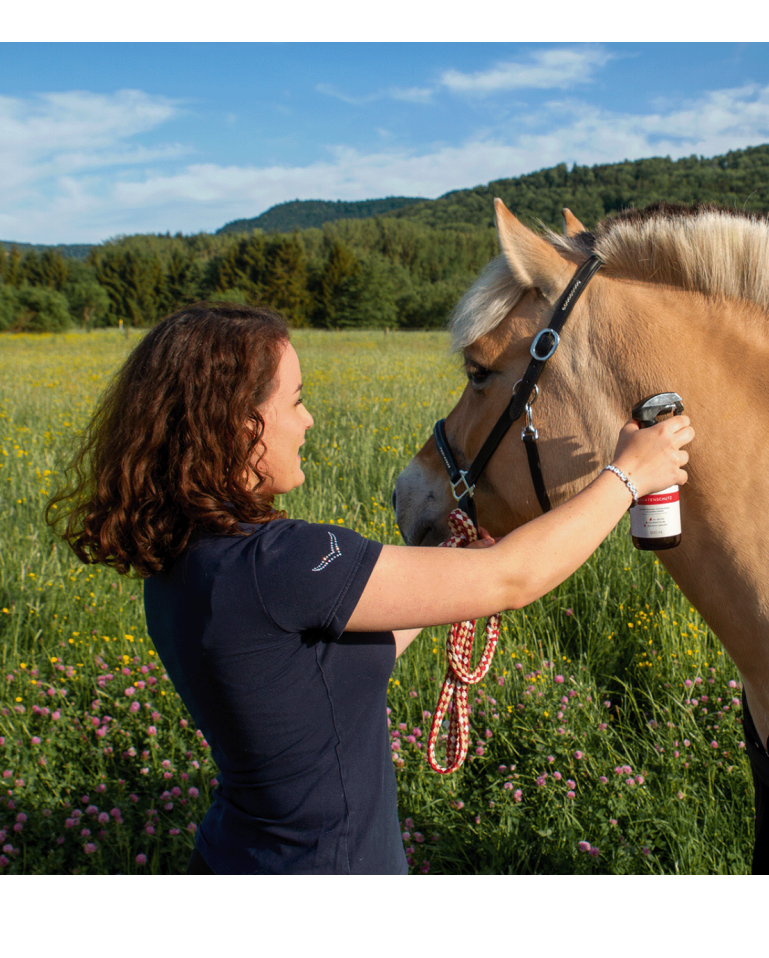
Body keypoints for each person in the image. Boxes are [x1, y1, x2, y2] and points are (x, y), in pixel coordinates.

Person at [48, 303, 693, 875]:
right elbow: (512, 578)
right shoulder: (281, 562)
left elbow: (323, 664)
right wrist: (629, 474)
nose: (309, 420)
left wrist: (445, 568)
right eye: (295, 400)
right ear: (244, 427)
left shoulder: (184, 561)